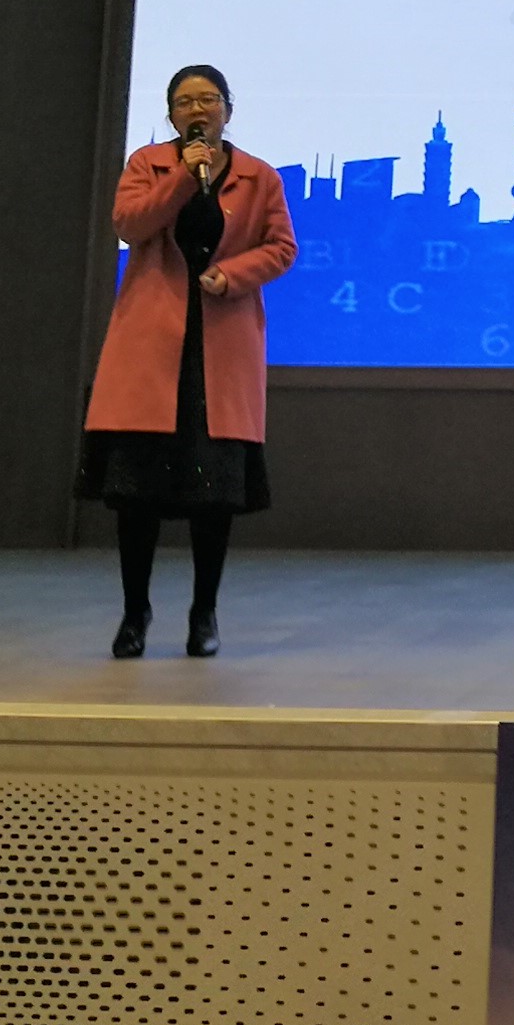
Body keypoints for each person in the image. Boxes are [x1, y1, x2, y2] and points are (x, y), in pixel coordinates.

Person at [76, 65, 294, 657]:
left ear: (228, 109)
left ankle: (204, 614)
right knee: (137, 496)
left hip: (220, 349)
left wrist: (234, 274)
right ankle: (135, 614)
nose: (198, 109)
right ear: (171, 114)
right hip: (150, 350)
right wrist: (180, 178)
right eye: (185, 102)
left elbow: (281, 248)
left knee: (213, 496)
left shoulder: (260, 177)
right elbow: (129, 225)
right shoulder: (149, 164)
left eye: (209, 99)